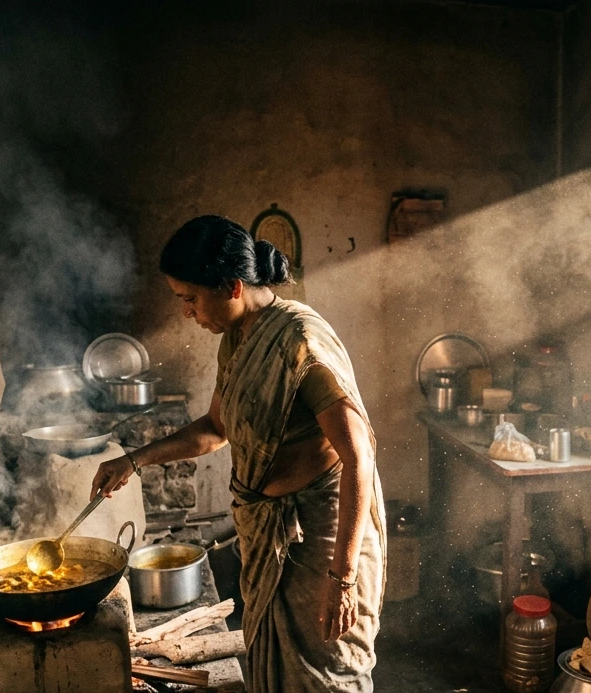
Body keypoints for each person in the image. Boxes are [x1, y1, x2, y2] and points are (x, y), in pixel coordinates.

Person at [90, 215, 386, 692]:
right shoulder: (239, 339)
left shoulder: (301, 344)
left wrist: (344, 577)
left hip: (321, 540)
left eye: (190, 298)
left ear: (230, 286)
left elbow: (359, 456)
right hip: (271, 536)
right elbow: (214, 429)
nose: (186, 311)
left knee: (329, 676)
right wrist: (133, 460)